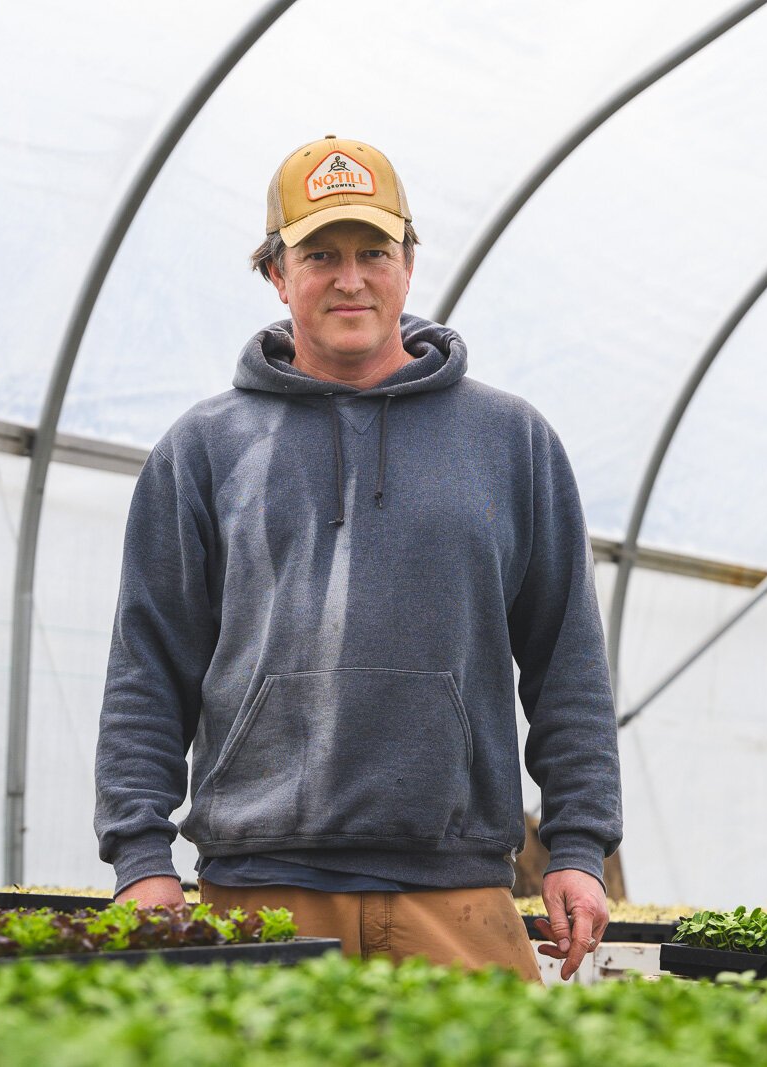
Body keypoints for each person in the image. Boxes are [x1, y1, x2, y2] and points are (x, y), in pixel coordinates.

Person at [94, 135, 622, 982]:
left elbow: (568, 661)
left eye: (373, 251)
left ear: (408, 264)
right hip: (259, 894)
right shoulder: (204, 449)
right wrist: (140, 855)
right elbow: (147, 664)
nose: (351, 279)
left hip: (458, 893)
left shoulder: (510, 441)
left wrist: (579, 844)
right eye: (321, 255)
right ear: (277, 272)